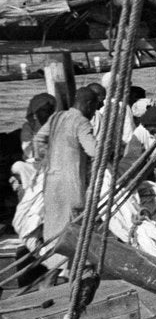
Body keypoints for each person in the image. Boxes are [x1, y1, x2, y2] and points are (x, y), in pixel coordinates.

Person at [34, 87, 99, 244]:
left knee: (53, 225)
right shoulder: (81, 122)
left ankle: (53, 261)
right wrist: (109, 147)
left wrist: (45, 158)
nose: (93, 114)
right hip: (70, 185)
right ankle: (69, 266)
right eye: (94, 109)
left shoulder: (56, 117)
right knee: (72, 227)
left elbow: (38, 139)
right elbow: (94, 151)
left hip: (51, 182)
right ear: (88, 104)